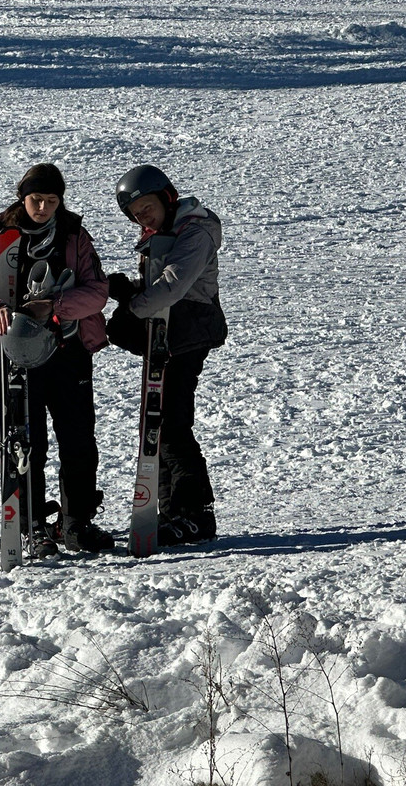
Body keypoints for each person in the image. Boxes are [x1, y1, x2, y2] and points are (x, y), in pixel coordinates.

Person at [0, 163, 114, 554]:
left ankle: (76, 521)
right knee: (24, 442)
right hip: (15, 354)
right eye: (36, 199)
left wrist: (57, 306)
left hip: (69, 350)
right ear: (23, 198)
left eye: (51, 200)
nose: (44, 207)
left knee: (78, 440)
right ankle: (30, 524)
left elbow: (98, 291)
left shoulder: (74, 235)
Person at [108, 165, 227, 545]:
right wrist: (129, 290)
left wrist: (133, 309)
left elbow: (174, 284)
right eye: (136, 214)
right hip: (166, 333)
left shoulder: (196, 229)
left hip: (188, 333)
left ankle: (195, 512)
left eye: (147, 207)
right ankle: (170, 511)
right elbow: (159, 284)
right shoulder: (163, 233)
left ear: (166, 197)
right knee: (156, 425)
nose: (143, 216)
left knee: (172, 425)